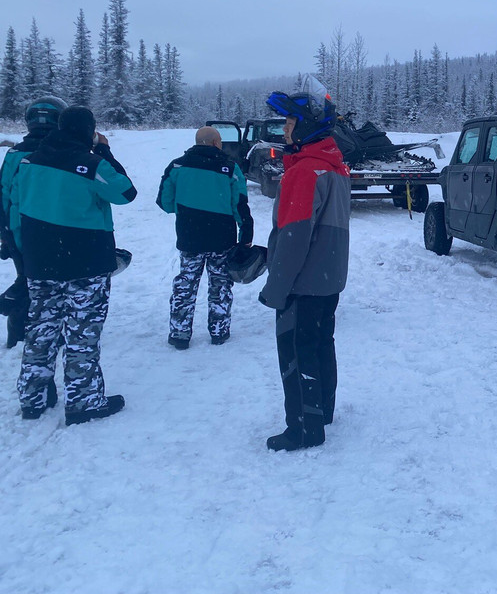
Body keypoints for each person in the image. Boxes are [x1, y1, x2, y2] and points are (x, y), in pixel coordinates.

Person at [12, 106, 136, 424]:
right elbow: (125, 192)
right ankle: (83, 401)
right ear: (88, 131)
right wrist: (104, 150)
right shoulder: (91, 164)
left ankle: (32, 397)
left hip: (40, 261)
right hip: (85, 262)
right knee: (82, 331)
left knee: (41, 328)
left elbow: (19, 203)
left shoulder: (29, 161)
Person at [259, 90, 350, 451]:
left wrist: (276, 288)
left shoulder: (304, 172)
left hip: (304, 281)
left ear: (306, 127)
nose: (284, 129)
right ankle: (321, 411)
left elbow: (294, 237)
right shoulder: (334, 165)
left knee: (297, 352)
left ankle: (303, 426)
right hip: (329, 278)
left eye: (289, 122)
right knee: (320, 344)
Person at [157, 126, 254, 349]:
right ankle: (219, 332)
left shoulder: (177, 166)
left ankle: (179, 334)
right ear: (214, 143)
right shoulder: (230, 169)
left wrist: (187, 211)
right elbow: (240, 205)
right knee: (220, 284)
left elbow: (164, 201)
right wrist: (246, 235)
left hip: (189, 238)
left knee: (186, 283)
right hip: (222, 239)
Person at [1, 96, 67, 351]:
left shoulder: (15, 154)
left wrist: (5, 232)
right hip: (55, 229)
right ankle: (47, 329)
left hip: (19, 231)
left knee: (26, 276)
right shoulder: (65, 152)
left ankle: (18, 328)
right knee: (54, 284)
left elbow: (3, 194)